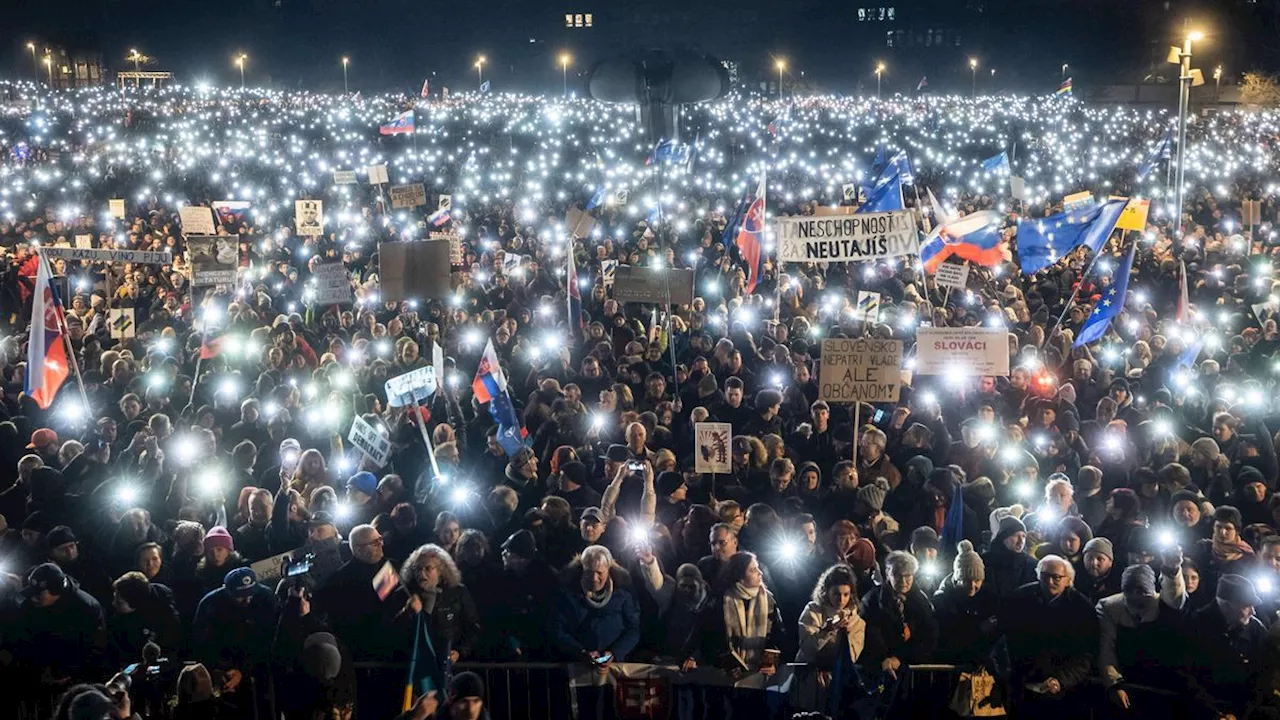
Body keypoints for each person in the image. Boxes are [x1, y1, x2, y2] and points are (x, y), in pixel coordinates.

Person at [999, 555, 1098, 718]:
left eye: (1056, 577)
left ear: (1068, 580)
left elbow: (1085, 655)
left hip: (1064, 692)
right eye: (1045, 576)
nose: (1050, 581)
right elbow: (1005, 640)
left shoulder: (1082, 609)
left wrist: (1062, 680)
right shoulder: (1019, 599)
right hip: (1022, 686)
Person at [1096, 555, 1186, 715]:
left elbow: (1175, 596)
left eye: (1142, 592)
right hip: (1126, 677)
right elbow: (1106, 648)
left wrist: (1172, 571)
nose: (1137, 597)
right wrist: (1114, 684)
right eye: (1132, 592)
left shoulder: (1162, 604)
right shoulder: (1109, 607)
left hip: (1162, 681)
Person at [685, 550, 785, 676]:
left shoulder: (768, 601)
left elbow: (779, 637)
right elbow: (703, 636)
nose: (760, 573)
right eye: (753, 570)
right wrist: (694, 658)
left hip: (760, 677)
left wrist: (774, 664)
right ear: (740, 576)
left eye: (758, 568)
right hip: (725, 677)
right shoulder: (719, 601)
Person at [1185, 574, 1269, 719]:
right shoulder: (1195, 626)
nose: (1253, 612)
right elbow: (1187, 675)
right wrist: (1215, 713)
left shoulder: (1257, 630)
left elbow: (1260, 678)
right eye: (1246, 606)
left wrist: (1239, 714)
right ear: (1226, 605)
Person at [12, 563, 108, 689]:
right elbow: (24, 637)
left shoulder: (86, 609)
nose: (33, 598)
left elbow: (94, 647)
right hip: (38, 676)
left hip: (76, 680)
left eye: (38, 594)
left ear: (56, 591)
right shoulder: (32, 606)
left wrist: (68, 672)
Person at [551, 544, 641, 666]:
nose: (594, 578)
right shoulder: (567, 593)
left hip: (615, 665)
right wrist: (580, 651)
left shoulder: (623, 593)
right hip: (577, 664)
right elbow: (558, 629)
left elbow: (633, 628)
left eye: (599, 572)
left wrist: (616, 653)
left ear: (608, 569)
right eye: (589, 572)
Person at [399, 543, 482, 668]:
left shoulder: (458, 592)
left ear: (440, 570)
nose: (421, 574)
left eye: (428, 568)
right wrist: (408, 611)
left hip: (447, 664)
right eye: (417, 569)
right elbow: (394, 631)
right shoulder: (405, 593)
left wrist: (460, 651)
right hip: (415, 665)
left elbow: (473, 627)